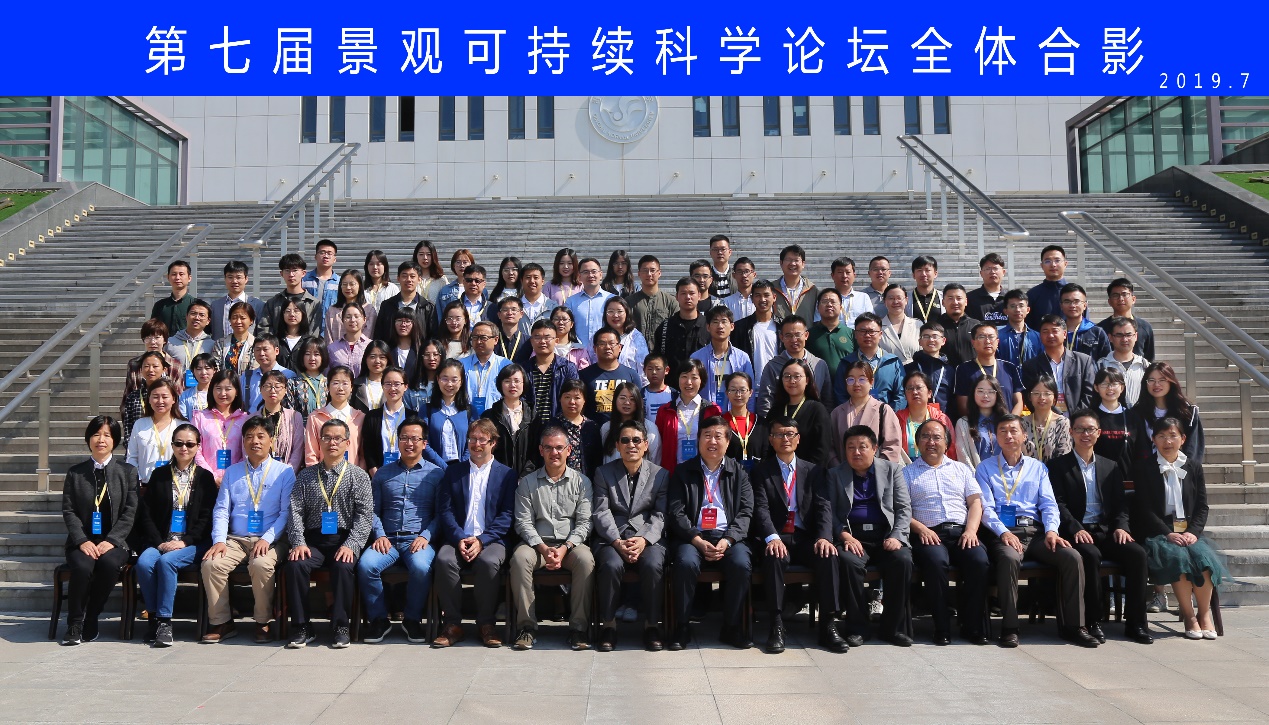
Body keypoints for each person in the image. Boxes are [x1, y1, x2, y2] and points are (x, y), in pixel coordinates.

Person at [977, 414, 1099, 648]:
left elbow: (1049, 504)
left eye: (1014, 430)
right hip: (1004, 533)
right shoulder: (985, 468)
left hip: (1037, 532)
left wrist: (1052, 531)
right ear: (997, 438)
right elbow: (986, 509)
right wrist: (1003, 533)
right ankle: (1010, 627)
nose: (1009, 435)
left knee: (1072, 557)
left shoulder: (1038, 467)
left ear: (1024, 436)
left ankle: (1075, 626)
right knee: (1009, 559)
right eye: (1003, 431)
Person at [1049, 410, 1154, 645]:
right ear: (1071, 432)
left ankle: (1136, 624)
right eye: (1079, 429)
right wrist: (1075, 528)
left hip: (1106, 530)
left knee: (1137, 554)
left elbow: (1121, 504)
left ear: (1099, 433)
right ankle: (1093, 621)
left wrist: (1121, 527)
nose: (1085, 434)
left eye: (1090, 430)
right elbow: (1058, 504)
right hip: (1077, 532)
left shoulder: (1111, 466)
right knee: (1090, 555)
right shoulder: (1057, 466)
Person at [751, 416, 845, 654]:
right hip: (777, 536)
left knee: (829, 555)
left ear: (798, 439)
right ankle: (776, 624)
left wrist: (824, 537)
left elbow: (824, 506)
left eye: (790, 434)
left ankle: (828, 624)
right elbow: (760, 509)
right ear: (771, 439)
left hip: (805, 537)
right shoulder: (761, 471)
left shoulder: (814, 471)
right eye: (779, 434)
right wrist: (772, 537)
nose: (785, 439)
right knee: (773, 557)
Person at [202, 416, 296, 643]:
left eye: (261, 436)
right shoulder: (232, 472)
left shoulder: (284, 472)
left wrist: (267, 538)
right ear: (243, 441)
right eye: (249, 436)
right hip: (236, 539)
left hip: (272, 539)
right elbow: (221, 510)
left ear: (271, 440)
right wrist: (219, 540)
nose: (255, 441)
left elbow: (286, 513)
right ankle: (222, 622)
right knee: (211, 564)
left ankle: (263, 622)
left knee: (261, 564)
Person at [1131, 418, 1226, 640]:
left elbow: (1202, 506)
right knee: (1179, 560)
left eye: (1173, 436)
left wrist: (1193, 532)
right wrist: (1168, 533)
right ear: (1153, 439)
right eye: (1162, 436)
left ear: (1182, 439)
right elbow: (1144, 509)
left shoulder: (1193, 466)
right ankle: (1189, 616)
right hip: (1159, 534)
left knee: (1204, 560)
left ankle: (1204, 615)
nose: (1167, 441)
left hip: (1189, 532)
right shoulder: (1144, 468)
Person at [666, 415, 754, 650]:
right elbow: (676, 512)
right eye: (707, 436)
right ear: (698, 440)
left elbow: (746, 511)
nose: (712, 441)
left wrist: (728, 539)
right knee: (684, 563)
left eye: (718, 436)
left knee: (741, 564)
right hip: (692, 538)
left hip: (728, 538)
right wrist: (696, 539)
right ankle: (682, 626)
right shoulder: (683, 471)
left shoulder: (739, 472)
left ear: (727, 441)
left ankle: (731, 626)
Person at [822, 424, 914, 647]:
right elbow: (829, 513)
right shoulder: (835, 474)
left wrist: (897, 536)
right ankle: (857, 628)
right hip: (853, 536)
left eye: (862, 446)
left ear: (874, 448)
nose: (856, 452)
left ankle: (893, 628)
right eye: (850, 447)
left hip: (885, 535)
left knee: (902, 560)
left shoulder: (892, 470)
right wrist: (844, 536)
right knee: (847, 562)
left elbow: (903, 508)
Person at [285, 419, 374, 649]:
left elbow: (365, 515)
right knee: (295, 564)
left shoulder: (358, 476)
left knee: (343, 566)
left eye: (337, 438)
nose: (332, 443)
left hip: (344, 539)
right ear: (319, 442)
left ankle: (341, 626)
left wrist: (352, 544)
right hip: (313, 541)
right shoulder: (305, 476)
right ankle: (302, 626)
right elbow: (295, 511)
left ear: (347, 443)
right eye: (326, 438)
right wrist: (298, 542)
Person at [431, 420, 519, 648]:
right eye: (472, 439)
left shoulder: (507, 475)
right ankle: (453, 625)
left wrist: (482, 540)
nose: (476, 444)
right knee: (444, 559)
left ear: (493, 443)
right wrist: (459, 537)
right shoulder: (453, 472)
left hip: (492, 539)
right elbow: (446, 511)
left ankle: (486, 624)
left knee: (489, 562)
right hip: (458, 537)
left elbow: (507, 515)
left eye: (482, 439)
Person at [902, 419, 991, 645]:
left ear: (947, 442)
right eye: (925, 437)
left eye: (937, 437)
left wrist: (971, 531)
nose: (931, 442)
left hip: (962, 532)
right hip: (928, 534)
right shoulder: (907, 473)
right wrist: (921, 528)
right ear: (917, 442)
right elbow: (900, 510)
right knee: (936, 562)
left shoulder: (961, 469)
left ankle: (972, 626)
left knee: (979, 560)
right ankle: (941, 628)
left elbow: (975, 503)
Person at [358, 415, 445, 643]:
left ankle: (412, 619)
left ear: (424, 443)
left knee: (421, 567)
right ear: (398, 441)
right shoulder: (383, 473)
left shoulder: (436, 474)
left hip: (418, 539)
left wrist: (426, 536)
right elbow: (373, 510)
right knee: (366, 565)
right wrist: (379, 535)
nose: (409, 443)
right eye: (404, 438)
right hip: (387, 539)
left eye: (415, 439)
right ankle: (379, 620)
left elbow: (441, 514)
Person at [509, 425, 596, 651]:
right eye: (548, 448)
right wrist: (543, 548)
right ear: (541, 450)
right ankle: (527, 627)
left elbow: (585, 523)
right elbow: (523, 522)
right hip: (536, 545)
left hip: (571, 545)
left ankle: (578, 629)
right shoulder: (527, 483)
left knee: (586, 560)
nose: (554, 453)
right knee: (519, 559)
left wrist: (565, 547)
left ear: (568, 450)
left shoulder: (582, 482)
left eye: (559, 448)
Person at [134, 422, 216, 646]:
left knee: (167, 562)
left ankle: (165, 622)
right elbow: (146, 515)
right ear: (172, 445)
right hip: (162, 540)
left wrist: (185, 542)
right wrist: (159, 542)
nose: (184, 448)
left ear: (198, 446)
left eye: (189, 444)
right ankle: (154, 618)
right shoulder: (159, 475)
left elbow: (206, 518)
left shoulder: (205, 478)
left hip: (193, 543)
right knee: (144, 562)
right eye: (179, 443)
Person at [591, 419, 669, 651]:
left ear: (646, 444)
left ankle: (652, 625)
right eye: (625, 440)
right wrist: (617, 541)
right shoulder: (603, 473)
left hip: (648, 538)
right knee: (611, 565)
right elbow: (601, 511)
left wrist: (644, 539)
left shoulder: (660, 475)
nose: (631, 445)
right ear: (617, 445)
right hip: (612, 538)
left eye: (636, 440)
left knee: (653, 564)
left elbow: (661, 514)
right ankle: (608, 625)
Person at [59, 416, 138, 646]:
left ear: (115, 440)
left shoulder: (127, 472)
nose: (101, 440)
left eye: (107, 435)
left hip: (115, 542)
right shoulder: (76, 473)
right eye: (96, 434)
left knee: (109, 564)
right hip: (82, 541)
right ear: (88, 439)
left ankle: (91, 617)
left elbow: (130, 511)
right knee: (83, 567)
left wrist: (112, 540)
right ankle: (75, 623)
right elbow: (69, 510)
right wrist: (81, 540)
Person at [361, 366, 445, 476]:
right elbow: (368, 450)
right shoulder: (372, 417)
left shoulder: (414, 417)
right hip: (379, 474)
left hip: (410, 474)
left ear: (405, 386)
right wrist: (377, 475)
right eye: (388, 384)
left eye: (397, 384)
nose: (392, 388)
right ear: (382, 386)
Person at [655, 359, 723, 473]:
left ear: (701, 380)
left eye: (694, 377)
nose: (689, 382)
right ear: (678, 379)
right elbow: (659, 445)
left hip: (703, 473)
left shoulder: (712, 410)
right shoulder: (665, 411)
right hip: (673, 473)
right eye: (684, 376)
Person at [829, 360, 903, 465]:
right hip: (844, 472)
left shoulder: (883, 410)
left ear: (871, 382)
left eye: (862, 379)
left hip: (877, 472)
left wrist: (877, 470)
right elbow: (830, 448)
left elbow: (892, 447)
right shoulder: (837, 413)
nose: (856, 384)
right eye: (851, 379)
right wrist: (839, 469)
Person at [1021, 315, 1098, 416]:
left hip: (1078, 419)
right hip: (1046, 419)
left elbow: (1090, 394)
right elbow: (1029, 397)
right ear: (1040, 336)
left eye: (1055, 331)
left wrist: (1075, 418)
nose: (1050, 335)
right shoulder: (1031, 366)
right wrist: (1054, 417)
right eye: (1045, 332)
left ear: (1064, 334)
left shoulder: (1083, 361)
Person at [756, 315, 832, 416]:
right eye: (788, 335)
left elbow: (827, 400)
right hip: (782, 421)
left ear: (806, 335)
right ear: (781, 337)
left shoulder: (819, 364)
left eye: (798, 335)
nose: (794, 340)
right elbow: (765, 401)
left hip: (813, 420)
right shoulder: (773, 366)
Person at [1133, 361, 1206, 465]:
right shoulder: (1137, 412)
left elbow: (1193, 448)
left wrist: (1186, 469)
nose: (1156, 384)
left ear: (1171, 382)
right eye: (1151, 380)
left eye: (1162, 380)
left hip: (1180, 470)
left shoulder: (1187, 412)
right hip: (1147, 470)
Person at [770, 358, 835, 466]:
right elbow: (768, 446)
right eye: (787, 376)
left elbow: (822, 450)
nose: (792, 381)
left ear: (807, 380)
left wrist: (805, 472)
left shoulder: (817, 410)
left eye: (797, 376)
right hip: (777, 472)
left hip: (809, 472)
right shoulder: (775, 410)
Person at [835, 313, 905, 412]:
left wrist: (888, 416)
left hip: (886, 416)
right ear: (855, 334)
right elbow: (840, 394)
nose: (867, 335)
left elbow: (901, 395)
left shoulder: (893, 362)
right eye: (862, 331)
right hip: (854, 417)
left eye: (872, 331)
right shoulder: (846, 363)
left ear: (880, 334)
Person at [691, 305, 754, 412]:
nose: (720, 326)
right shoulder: (697, 357)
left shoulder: (742, 358)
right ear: (708, 327)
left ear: (732, 326)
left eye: (724, 321)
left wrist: (749, 415)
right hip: (705, 414)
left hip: (734, 415)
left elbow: (750, 390)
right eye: (715, 322)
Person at [954, 323, 1025, 417]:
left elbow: (1018, 402)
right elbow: (963, 405)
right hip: (977, 424)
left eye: (991, 337)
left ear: (997, 342)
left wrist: (1010, 421)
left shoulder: (1009, 367)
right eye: (982, 337)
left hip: (1006, 423)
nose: (987, 341)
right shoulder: (964, 369)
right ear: (973, 342)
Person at [191, 370, 248, 485]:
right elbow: (195, 450)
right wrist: (212, 477)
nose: (222, 393)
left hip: (237, 481)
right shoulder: (200, 418)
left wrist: (232, 476)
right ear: (211, 390)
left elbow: (247, 452)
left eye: (228, 389)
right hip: (205, 481)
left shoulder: (245, 419)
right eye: (218, 388)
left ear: (236, 391)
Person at [127, 378, 186, 487]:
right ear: (149, 399)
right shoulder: (140, 424)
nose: (160, 401)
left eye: (165, 397)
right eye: (155, 397)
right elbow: (132, 457)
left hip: (175, 486)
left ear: (173, 399)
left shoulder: (183, 426)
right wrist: (136, 480)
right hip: (144, 485)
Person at [484, 364, 540, 476]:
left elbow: (537, 451)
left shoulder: (533, 416)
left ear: (524, 383)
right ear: (500, 384)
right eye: (507, 381)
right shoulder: (489, 416)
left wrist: (525, 476)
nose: (512, 385)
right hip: (496, 477)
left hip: (527, 479)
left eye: (517, 381)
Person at [652, 277, 710, 383]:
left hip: (701, 387)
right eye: (683, 293)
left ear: (699, 296)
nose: (688, 297)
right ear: (677, 297)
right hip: (672, 387)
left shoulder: (708, 327)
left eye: (692, 293)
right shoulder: (665, 327)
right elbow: (658, 358)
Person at [304, 366, 364, 467]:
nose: (340, 388)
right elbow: (311, 454)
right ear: (327, 387)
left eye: (345, 383)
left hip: (353, 474)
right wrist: (317, 475)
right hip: (323, 474)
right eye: (336, 383)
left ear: (351, 388)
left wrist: (358, 474)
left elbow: (363, 455)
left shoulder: (360, 417)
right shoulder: (315, 417)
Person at [1093, 368, 1146, 481]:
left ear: (1122, 387)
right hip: (1097, 479)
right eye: (1104, 384)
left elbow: (1141, 449)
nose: (1110, 388)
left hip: (1128, 480)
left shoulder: (1133, 417)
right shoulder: (1090, 417)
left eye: (1114, 384)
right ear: (1096, 388)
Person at [580, 327, 641, 424]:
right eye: (602, 343)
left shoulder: (631, 375)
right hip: (593, 430)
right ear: (595, 348)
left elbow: (639, 406)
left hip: (625, 429)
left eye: (612, 343)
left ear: (620, 347)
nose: (607, 347)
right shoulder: (584, 375)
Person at [527, 319, 581, 425]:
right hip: (529, 428)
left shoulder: (567, 368)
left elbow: (574, 398)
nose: (542, 341)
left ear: (556, 341)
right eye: (537, 337)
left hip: (559, 427)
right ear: (531, 341)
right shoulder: (523, 369)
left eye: (547, 337)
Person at [896, 371, 957, 462]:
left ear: (929, 393)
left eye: (919, 388)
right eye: (910, 388)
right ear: (905, 395)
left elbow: (951, 450)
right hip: (905, 467)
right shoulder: (897, 419)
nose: (914, 392)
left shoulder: (942, 419)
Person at [257, 253, 321, 339]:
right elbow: (265, 329)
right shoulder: (273, 303)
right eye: (287, 270)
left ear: (303, 273)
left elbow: (314, 332)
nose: (291, 274)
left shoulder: (313, 303)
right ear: (281, 273)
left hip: (305, 346)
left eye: (295, 270)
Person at [125, 320, 184, 412]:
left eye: (157, 337)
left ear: (164, 340)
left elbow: (179, 395)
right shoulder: (135, 364)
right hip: (140, 413)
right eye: (148, 337)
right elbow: (128, 395)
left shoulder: (175, 365)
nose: (153, 342)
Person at [553, 379, 604, 480]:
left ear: (584, 400)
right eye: (567, 397)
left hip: (587, 483)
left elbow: (597, 459)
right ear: (560, 399)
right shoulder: (552, 426)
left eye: (577, 398)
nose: (572, 402)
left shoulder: (592, 427)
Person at [599, 382, 661, 464]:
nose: (627, 402)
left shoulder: (649, 428)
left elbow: (655, 460)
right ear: (615, 400)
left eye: (632, 399)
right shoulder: (606, 428)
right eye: (622, 398)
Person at [731, 279, 781, 383]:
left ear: (774, 297)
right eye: (758, 295)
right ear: (752, 298)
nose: (762, 299)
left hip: (778, 385)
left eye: (766, 295)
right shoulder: (740, 327)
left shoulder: (782, 326)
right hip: (750, 386)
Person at [374, 261, 437, 343]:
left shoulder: (428, 307)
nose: (408, 280)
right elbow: (379, 334)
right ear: (398, 279)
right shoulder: (387, 305)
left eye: (412, 276)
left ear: (419, 279)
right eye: (404, 276)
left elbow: (433, 336)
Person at [954, 376, 1008, 469]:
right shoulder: (963, 424)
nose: (985, 396)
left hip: (1005, 474)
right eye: (980, 391)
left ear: (997, 395)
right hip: (975, 475)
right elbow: (964, 458)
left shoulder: (1006, 422)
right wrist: (978, 476)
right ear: (973, 394)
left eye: (991, 392)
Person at [460, 321, 512, 418]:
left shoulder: (505, 365)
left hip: (497, 419)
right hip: (467, 419)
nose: (478, 342)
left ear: (496, 340)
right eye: (475, 337)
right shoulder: (461, 365)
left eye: (483, 338)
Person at [565, 258, 614, 356]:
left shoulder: (612, 299)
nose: (590, 275)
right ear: (579, 276)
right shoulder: (571, 302)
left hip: (605, 354)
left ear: (601, 274)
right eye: (586, 272)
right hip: (578, 354)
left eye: (594, 271)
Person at [259, 370, 306, 473]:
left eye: (277, 386)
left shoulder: (295, 417)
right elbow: (247, 450)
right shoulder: (252, 418)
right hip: (259, 474)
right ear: (260, 389)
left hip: (287, 474)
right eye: (268, 386)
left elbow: (297, 450)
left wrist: (286, 474)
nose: (273, 390)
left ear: (285, 390)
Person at [428, 359, 474, 465]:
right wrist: (443, 466)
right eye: (445, 379)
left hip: (463, 468)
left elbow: (473, 441)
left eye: (454, 380)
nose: (449, 384)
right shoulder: (427, 410)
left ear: (461, 381)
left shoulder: (470, 411)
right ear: (437, 379)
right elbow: (424, 443)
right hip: (434, 468)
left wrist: (460, 466)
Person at [1099, 278, 1155, 361]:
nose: (1121, 299)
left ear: (1133, 299)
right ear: (1109, 301)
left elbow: (1149, 358)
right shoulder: (1100, 329)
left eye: (1124, 294)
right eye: (1115, 295)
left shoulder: (1145, 327)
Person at [1098, 317, 1150, 407]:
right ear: (1110, 337)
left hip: (1140, 415)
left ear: (1136, 336)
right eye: (1119, 335)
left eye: (1128, 335)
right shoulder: (1100, 366)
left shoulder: (1145, 366)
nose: (1124, 339)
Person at [807, 288, 857, 381]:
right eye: (825, 301)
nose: (829, 305)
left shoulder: (851, 333)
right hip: (818, 385)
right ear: (818, 308)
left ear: (841, 307)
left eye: (833, 302)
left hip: (845, 386)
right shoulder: (809, 334)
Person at [1021, 375, 1073, 463]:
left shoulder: (1062, 423)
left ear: (1054, 398)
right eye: (1036, 393)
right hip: (1027, 471)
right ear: (1029, 397)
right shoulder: (1022, 423)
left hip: (1054, 471)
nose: (1042, 397)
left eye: (1047, 394)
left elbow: (1064, 456)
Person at [122, 351, 168, 448]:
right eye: (146, 366)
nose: (150, 370)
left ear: (164, 369)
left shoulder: (171, 396)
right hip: (139, 449)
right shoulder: (133, 397)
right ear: (141, 370)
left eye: (155, 366)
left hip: (165, 448)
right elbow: (128, 429)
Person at [905, 322, 954, 412]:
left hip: (943, 418)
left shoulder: (949, 370)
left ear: (943, 341)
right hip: (914, 417)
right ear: (920, 341)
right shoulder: (908, 369)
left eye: (935, 336)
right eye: (926, 336)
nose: (931, 340)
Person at [209, 260, 265, 340]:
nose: (234, 281)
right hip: (221, 347)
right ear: (225, 278)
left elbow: (262, 332)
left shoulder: (258, 305)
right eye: (230, 277)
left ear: (246, 279)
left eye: (238, 277)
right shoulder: (215, 306)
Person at [240, 334, 296, 413]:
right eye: (257, 349)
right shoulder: (246, 377)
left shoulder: (288, 375)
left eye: (265, 349)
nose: (261, 353)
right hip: (251, 419)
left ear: (276, 351)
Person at [629, 255, 678, 340]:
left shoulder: (671, 301)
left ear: (659, 273)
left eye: (652, 270)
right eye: (645, 270)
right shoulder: (629, 302)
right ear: (639, 274)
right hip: (635, 347)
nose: (649, 274)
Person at [603, 296, 649, 386]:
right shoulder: (599, 336)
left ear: (627, 313)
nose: (615, 315)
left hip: (630, 388)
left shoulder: (636, 337)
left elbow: (643, 368)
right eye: (610, 311)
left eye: (619, 311)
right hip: (603, 387)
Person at [324, 269, 377, 346]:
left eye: (352, 284)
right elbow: (328, 338)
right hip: (335, 352)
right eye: (344, 284)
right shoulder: (332, 310)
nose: (348, 287)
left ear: (360, 286)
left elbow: (368, 337)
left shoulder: (369, 310)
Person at [934, 284, 981, 369]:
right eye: (950, 298)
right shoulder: (935, 326)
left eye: (959, 298)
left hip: (972, 373)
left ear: (966, 302)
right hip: (944, 374)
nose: (955, 302)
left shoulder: (976, 325)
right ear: (943, 302)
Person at [1060, 283, 1111, 361]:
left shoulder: (1097, 332)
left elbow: (1107, 361)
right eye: (1067, 301)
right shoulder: (1056, 332)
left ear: (1085, 305)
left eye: (1076, 301)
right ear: (1061, 306)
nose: (1072, 305)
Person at [165, 299, 215, 378]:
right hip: (176, 385)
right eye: (193, 313)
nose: (197, 317)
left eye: (202, 315)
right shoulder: (170, 343)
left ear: (208, 321)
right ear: (186, 316)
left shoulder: (213, 345)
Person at [301, 240, 341, 337]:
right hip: (307, 330)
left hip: (331, 332)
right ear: (315, 256)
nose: (325, 256)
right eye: (322, 252)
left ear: (334, 259)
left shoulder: (340, 282)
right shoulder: (304, 279)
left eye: (329, 253)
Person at [1025, 244, 1070, 329]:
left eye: (1057, 260)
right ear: (1042, 266)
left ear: (1065, 264)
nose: (1053, 265)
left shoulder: (1075, 293)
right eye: (1047, 261)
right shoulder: (1032, 295)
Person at [286, 337, 328, 423]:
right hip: (300, 428)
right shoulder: (292, 383)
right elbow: (289, 413)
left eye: (316, 354)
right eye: (308, 354)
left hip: (327, 428)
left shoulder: (329, 383)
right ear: (302, 357)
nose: (312, 358)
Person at [772, 244, 819, 321]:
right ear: (781, 263)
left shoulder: (813, 290)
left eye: (796, 260)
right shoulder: (771, 289)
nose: (792, 263)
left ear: (803, 264)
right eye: (788, 260)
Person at [212, 301, 258, 379]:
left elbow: (254, 369)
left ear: (251, 321)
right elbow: (215, 368)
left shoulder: (256, 344)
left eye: (243, 318)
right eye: (234, 318)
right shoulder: (220, 343)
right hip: (223, 385)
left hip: (247, 385)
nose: (238, 321)